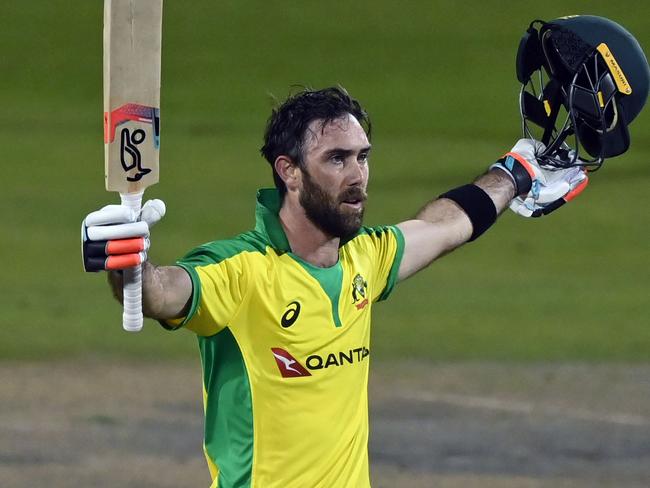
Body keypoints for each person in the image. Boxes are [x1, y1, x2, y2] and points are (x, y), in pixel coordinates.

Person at [82, 86, 588, 487]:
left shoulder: (365, 258)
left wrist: (516, 173)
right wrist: (128, 261)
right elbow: (163, 292)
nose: (359, 177)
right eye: (337, 159)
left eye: (363, 156)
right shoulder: (243, 270)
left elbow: (448, 223)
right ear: (290, 171)